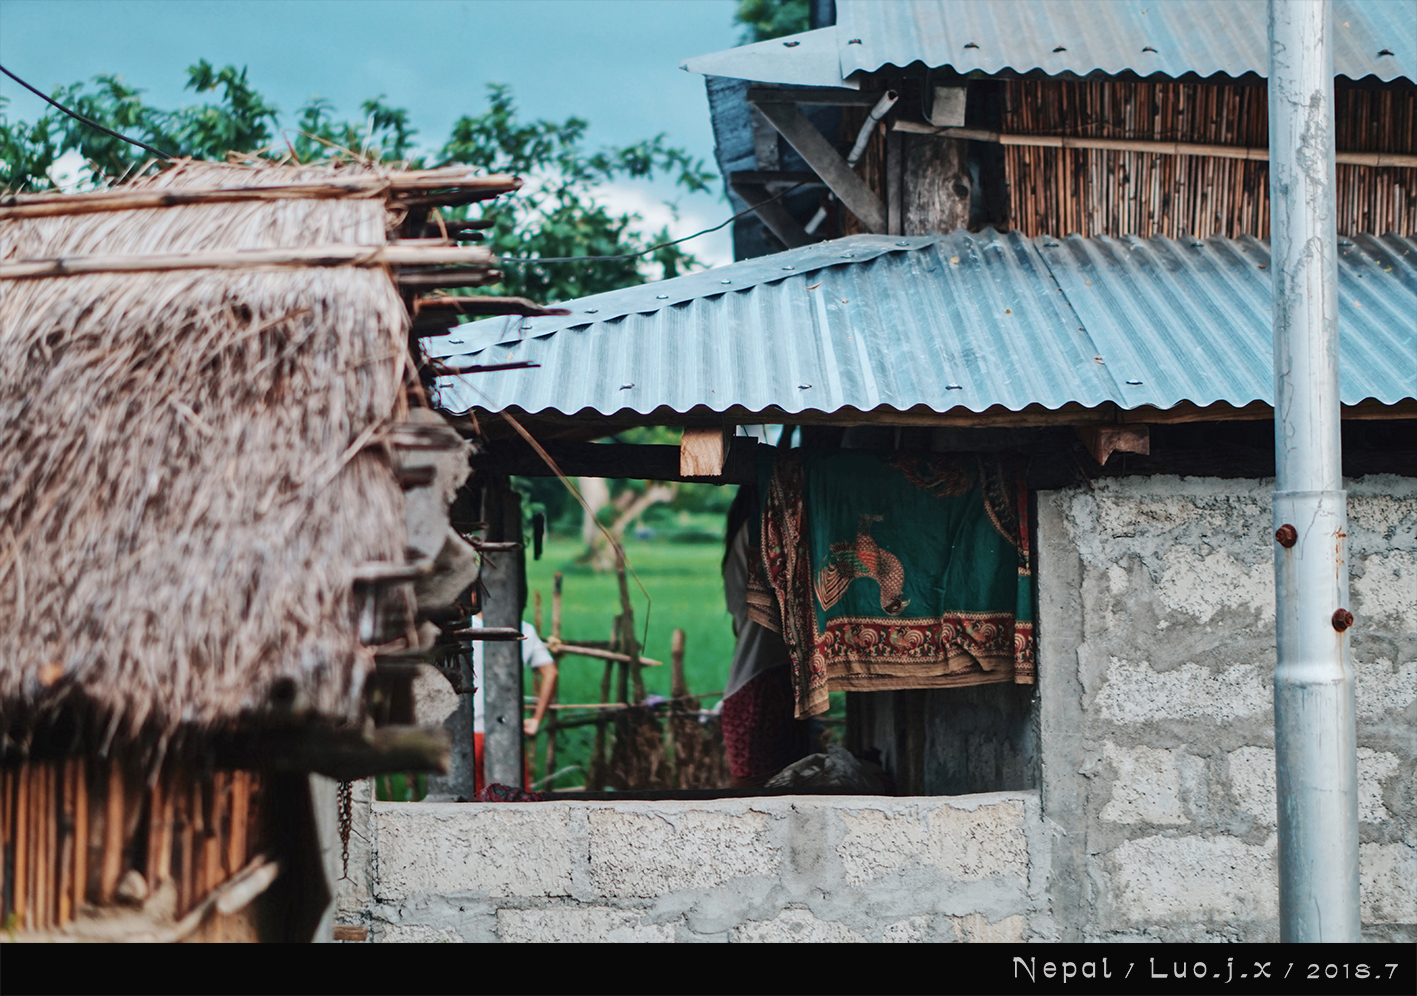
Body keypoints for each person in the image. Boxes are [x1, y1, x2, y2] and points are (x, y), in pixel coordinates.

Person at [719, 487, 811, 787]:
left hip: (761, 680)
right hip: (761, 682)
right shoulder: (757, 532)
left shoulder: (745, 538)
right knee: (760, 795)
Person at [469, 613, 557, 795]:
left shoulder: (461, 629)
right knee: (512, 803)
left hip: (468, 734)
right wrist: (535, 720)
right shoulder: (523, 629)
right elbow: (550, 672)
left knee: (467, 804)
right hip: (508, 733)